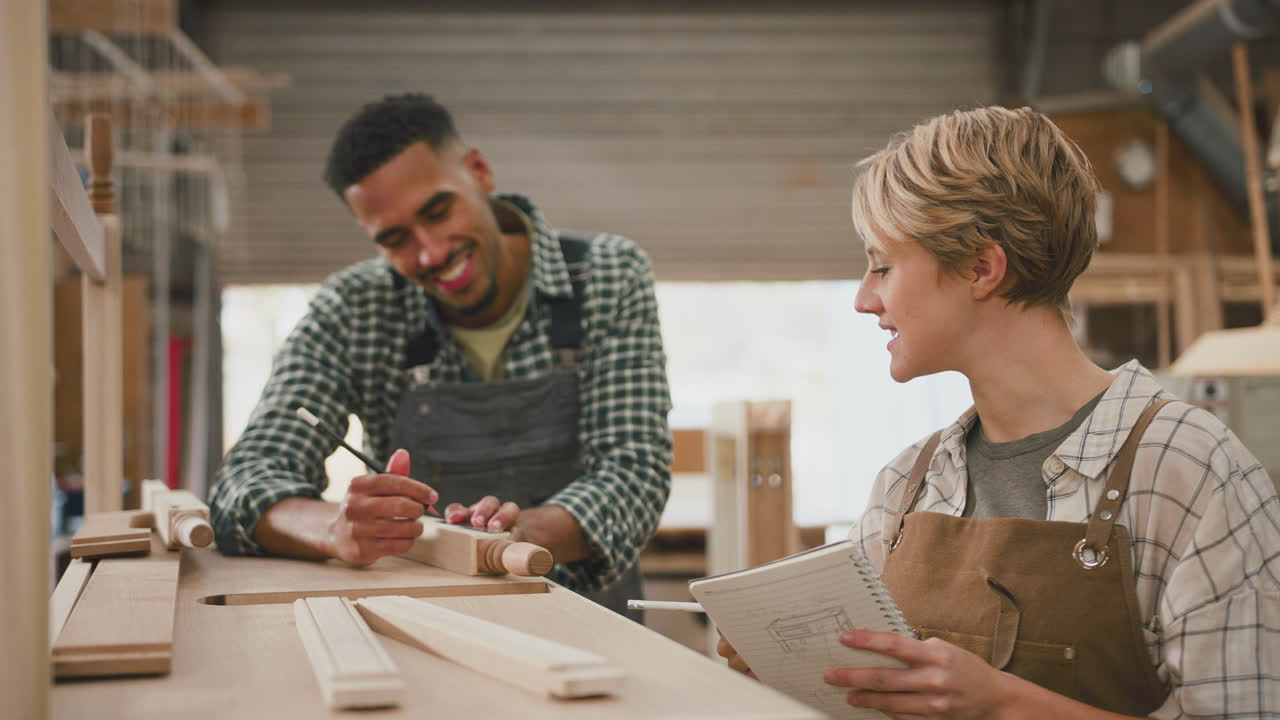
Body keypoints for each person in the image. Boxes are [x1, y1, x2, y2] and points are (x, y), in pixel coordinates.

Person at [719, 106, 1280, 717]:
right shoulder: (908, 485)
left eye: (882, 265)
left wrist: (1002, 705)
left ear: (982, 269)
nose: (863, 298)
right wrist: (799, 670)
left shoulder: (1187, 470)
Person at [209, 93, 673, 616]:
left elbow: (633, 473)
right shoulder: (353, 307)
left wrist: (515, 536)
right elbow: (242, 484)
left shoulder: (607, 276)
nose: (431, 253)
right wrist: (334, 528)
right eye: (395, 239)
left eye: (438, 210)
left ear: (479, 172)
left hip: (590, 621)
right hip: (425, 624)